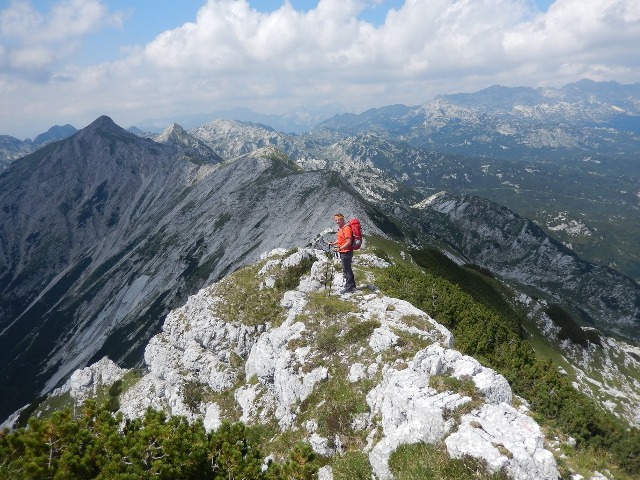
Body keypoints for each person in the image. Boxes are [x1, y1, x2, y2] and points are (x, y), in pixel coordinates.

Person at [328, 213, 356, 294]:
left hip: (346, 252)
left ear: (342, 219)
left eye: (337, 220)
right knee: (347, 269)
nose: (336, 221)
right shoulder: (341, 228)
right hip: (343, 251)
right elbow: (340, 239)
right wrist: (333, 243)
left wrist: (340, 248)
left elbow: (348, 242)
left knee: (346, 270)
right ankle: (352, 286)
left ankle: (349, 288)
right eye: (335, 220)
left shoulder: (346, 229)